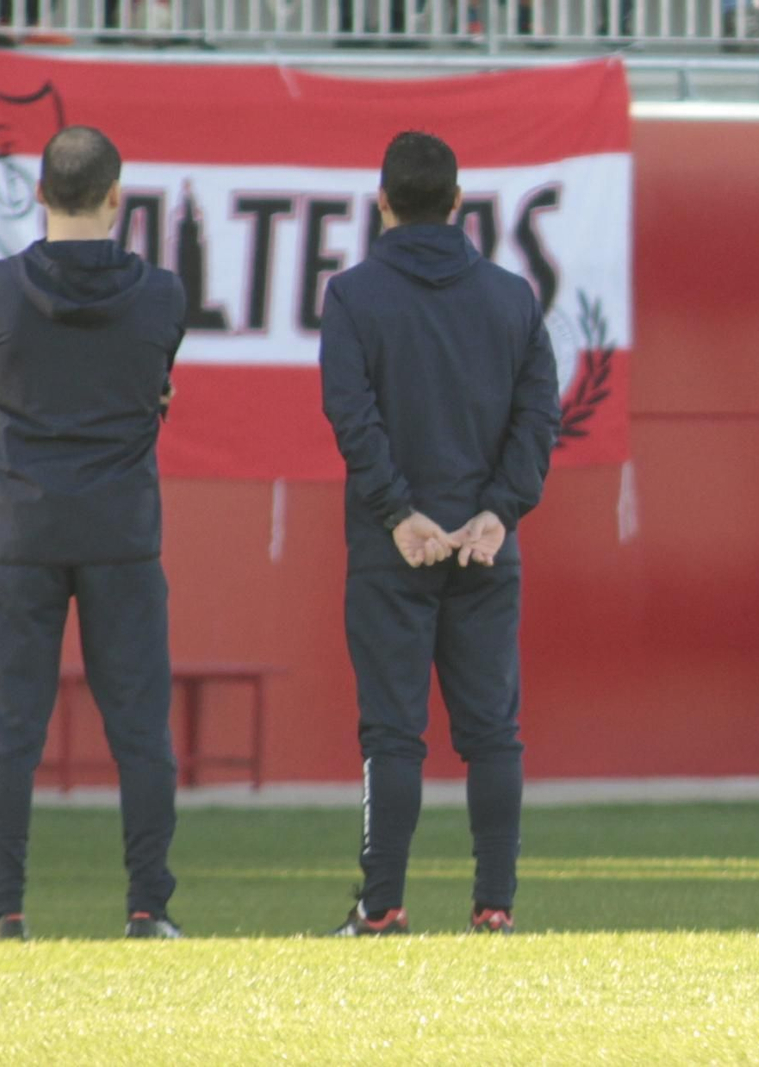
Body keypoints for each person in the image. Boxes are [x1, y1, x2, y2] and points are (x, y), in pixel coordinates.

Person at [319, 131, 560, 937]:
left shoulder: (352, 296)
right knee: (493, 732)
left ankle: (382, 905)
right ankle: (495, 905)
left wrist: (397, 512)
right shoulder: (512, 296)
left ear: (382, 201)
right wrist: (499, 509)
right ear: (458, 203)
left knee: (393, 732)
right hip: (487, 546)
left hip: (394, 549)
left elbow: (352, 419)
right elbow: (538, 418)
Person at [0, 126, 187, 940]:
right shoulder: (161, 294)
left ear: (41, 194)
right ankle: (149, 907)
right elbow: (157, 389)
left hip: (21, 532)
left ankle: (1, 910)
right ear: (117, 196)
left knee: (11, 731)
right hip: (122, 530)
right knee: (140, 729)